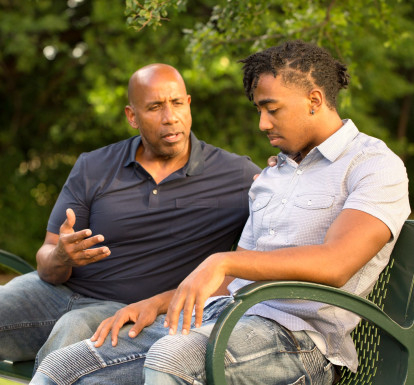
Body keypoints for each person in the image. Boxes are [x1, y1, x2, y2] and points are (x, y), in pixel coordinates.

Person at [30, 40, 410, 385]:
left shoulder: (372, 166)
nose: (262, 123)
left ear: (314, 99)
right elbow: (232, 282)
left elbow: (337, 263)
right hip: (221, 319)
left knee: (170, 357)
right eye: (260, 110)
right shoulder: (273, 175)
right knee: (65, 365)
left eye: (271, 109)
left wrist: (221, 261)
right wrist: (154, 304)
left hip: (297, 341)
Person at [0, 63, 260, 372]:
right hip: (52, 293)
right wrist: (61, 255)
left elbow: (273, 238)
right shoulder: (94, 166)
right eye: (154, 107)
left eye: (177, 103)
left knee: (74, 331)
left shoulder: (238, 175)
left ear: (188, 104)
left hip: (131, 310)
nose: (170, 117)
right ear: (131, 116)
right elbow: (46, 259)